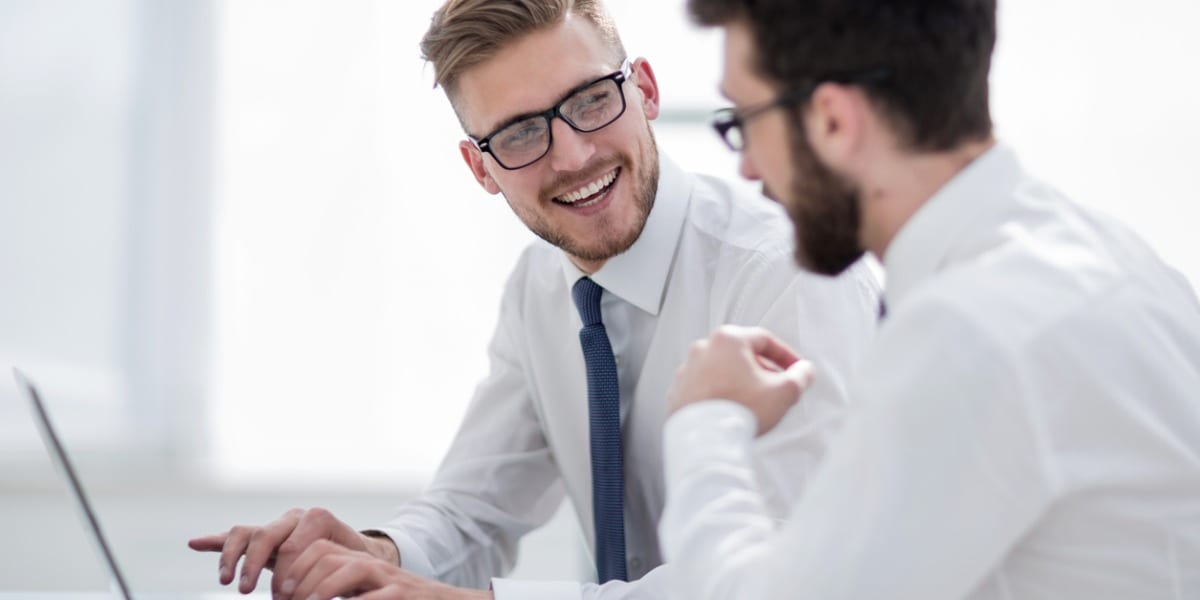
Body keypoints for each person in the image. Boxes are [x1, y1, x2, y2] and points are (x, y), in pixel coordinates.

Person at [188, 1, 880, 599]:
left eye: (590, 101)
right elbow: (473, 512)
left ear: (644, 89)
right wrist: (375, 556)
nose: (573, 155)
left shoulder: (790, 276)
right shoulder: (541, 289)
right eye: (520, 133)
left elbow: (789, 582)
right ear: (479, 168)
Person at [659, 0, 1200, 598]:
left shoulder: (970, 333)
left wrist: (704, 421)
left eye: (745, 120)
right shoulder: (1115, 256)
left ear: (834, 120)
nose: (747, 166)